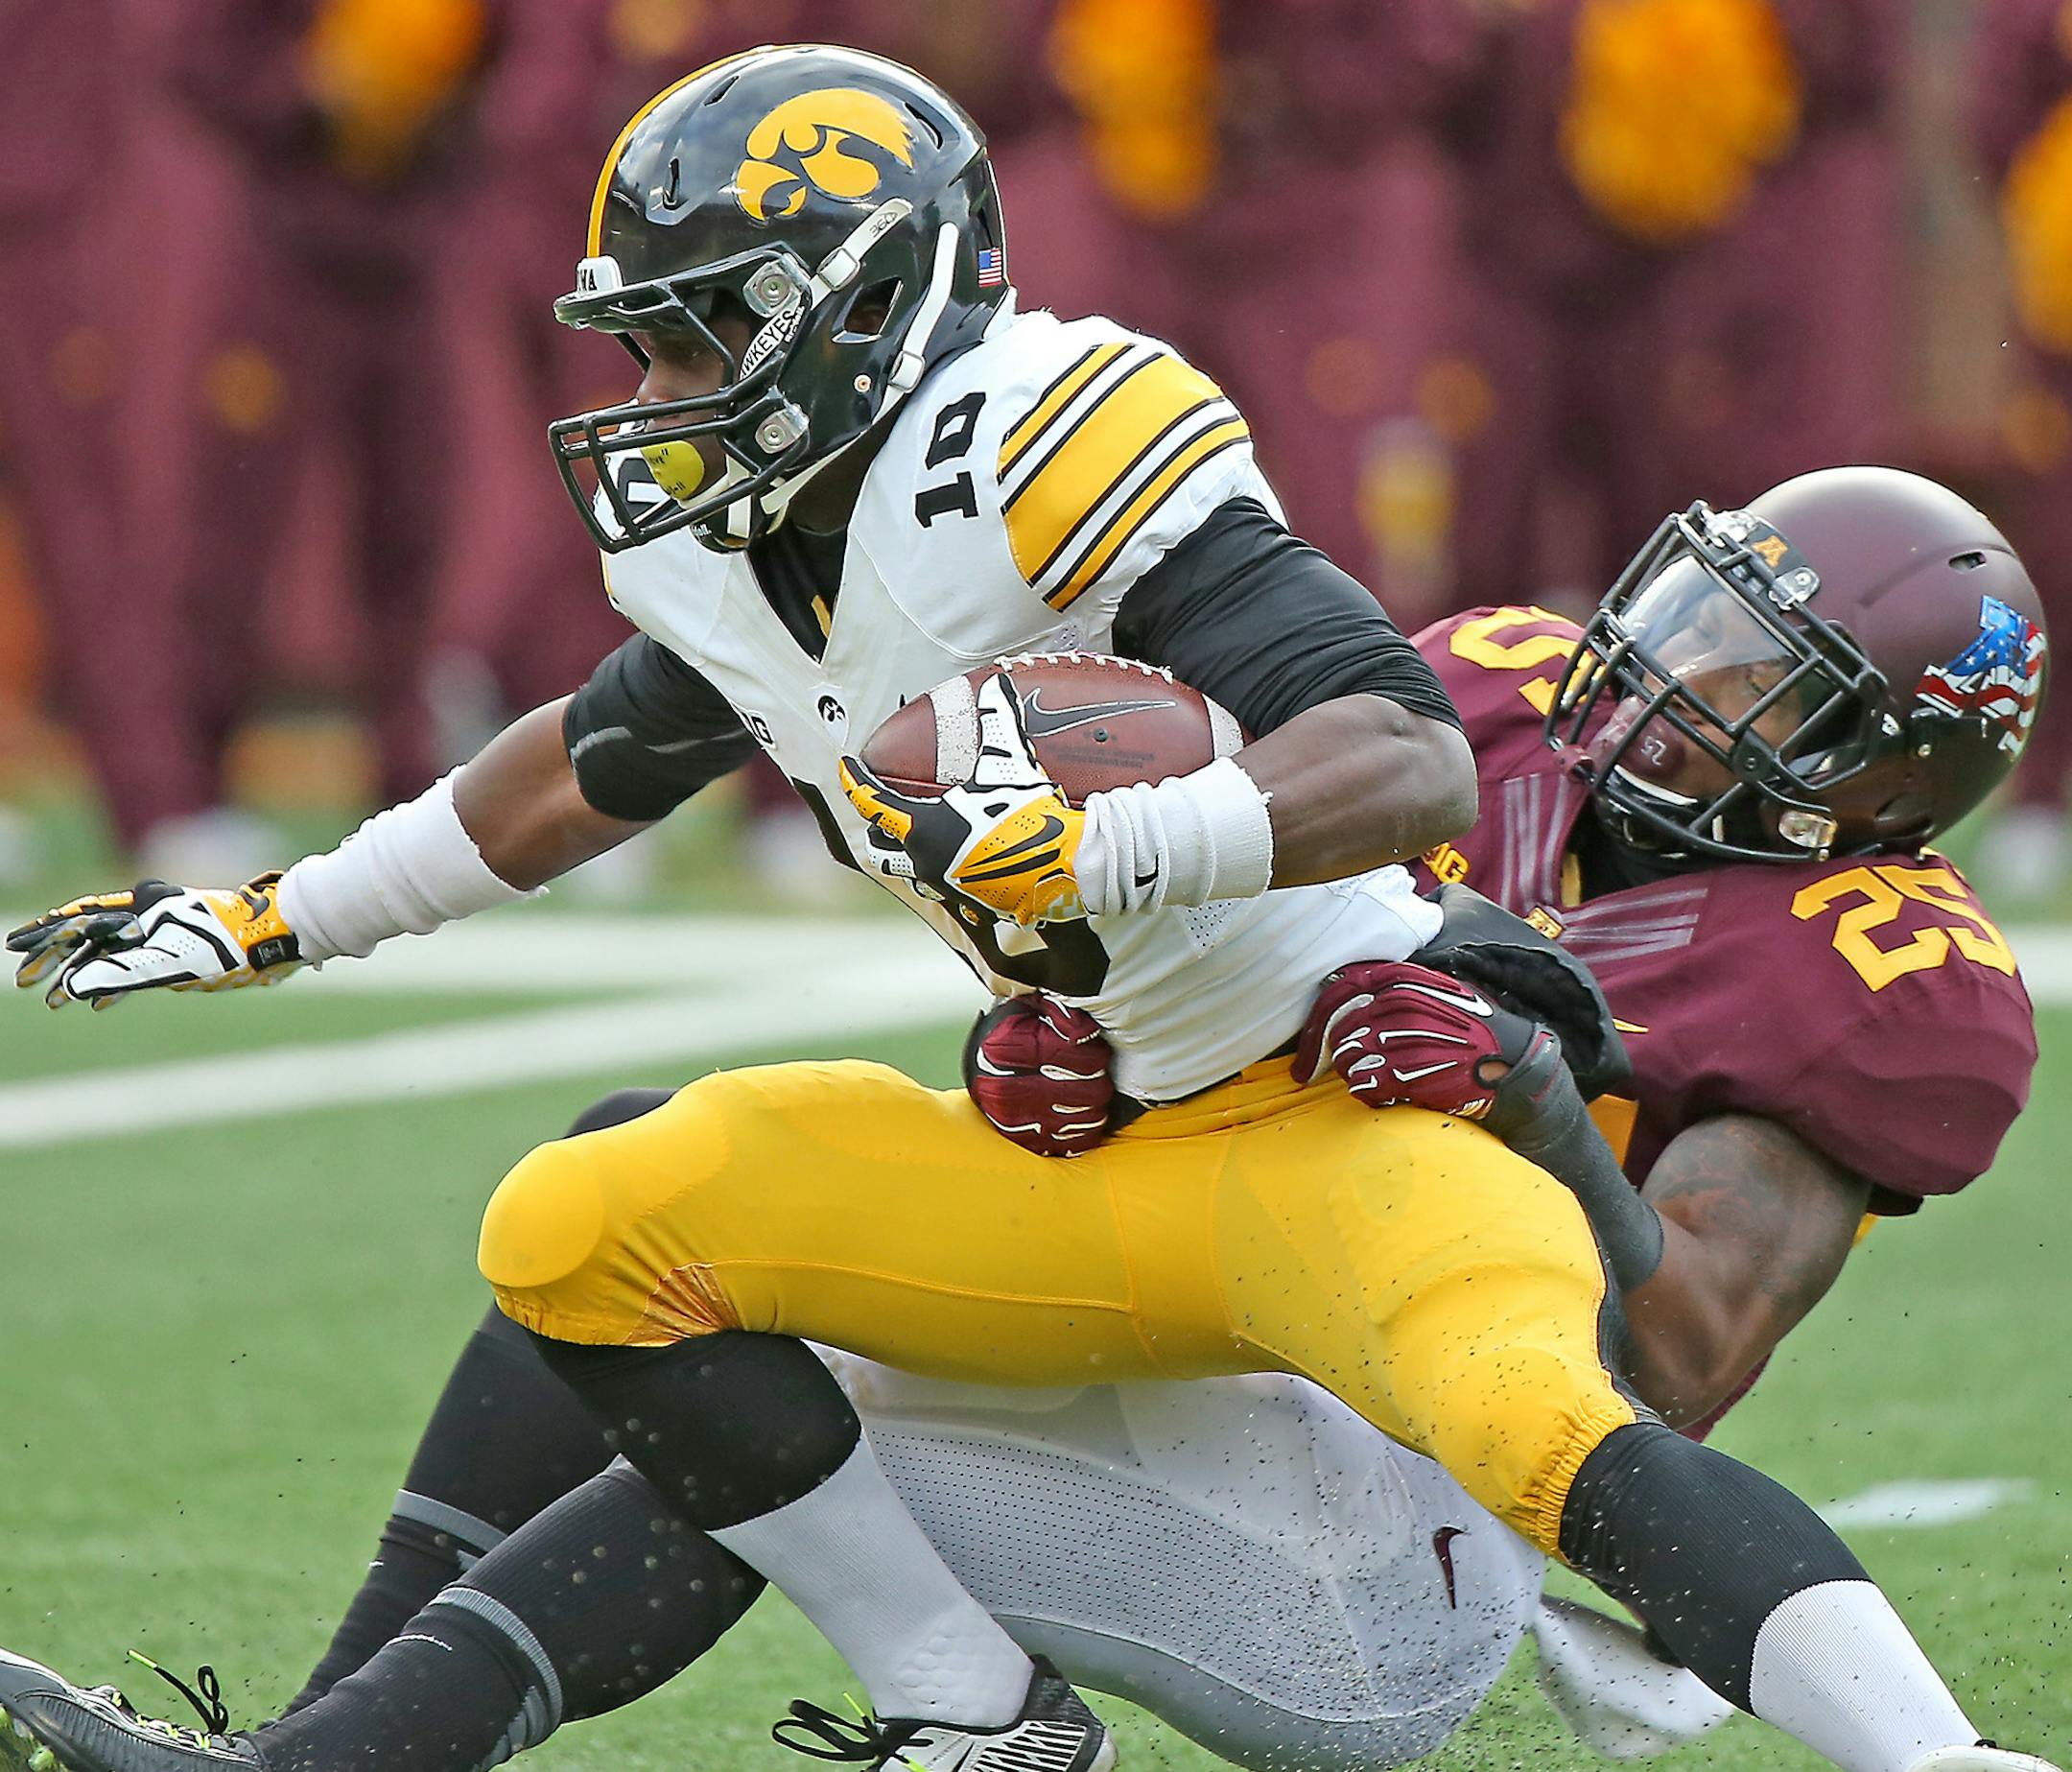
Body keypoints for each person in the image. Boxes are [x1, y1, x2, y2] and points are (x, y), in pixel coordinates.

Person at [1, 47, 2050, 1772]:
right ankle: (357, 1729)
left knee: (847, 1435)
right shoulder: (1510, 679)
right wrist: (1073, 988)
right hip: (1181, 1206)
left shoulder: (1871, 985)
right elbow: (619, 763)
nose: (1668, 688)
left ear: (1882, 783)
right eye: (1686, 624)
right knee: (614, 1204)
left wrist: (1509, 1089)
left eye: (1758, 691)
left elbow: (1659, 1359)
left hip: (1397, 1433)